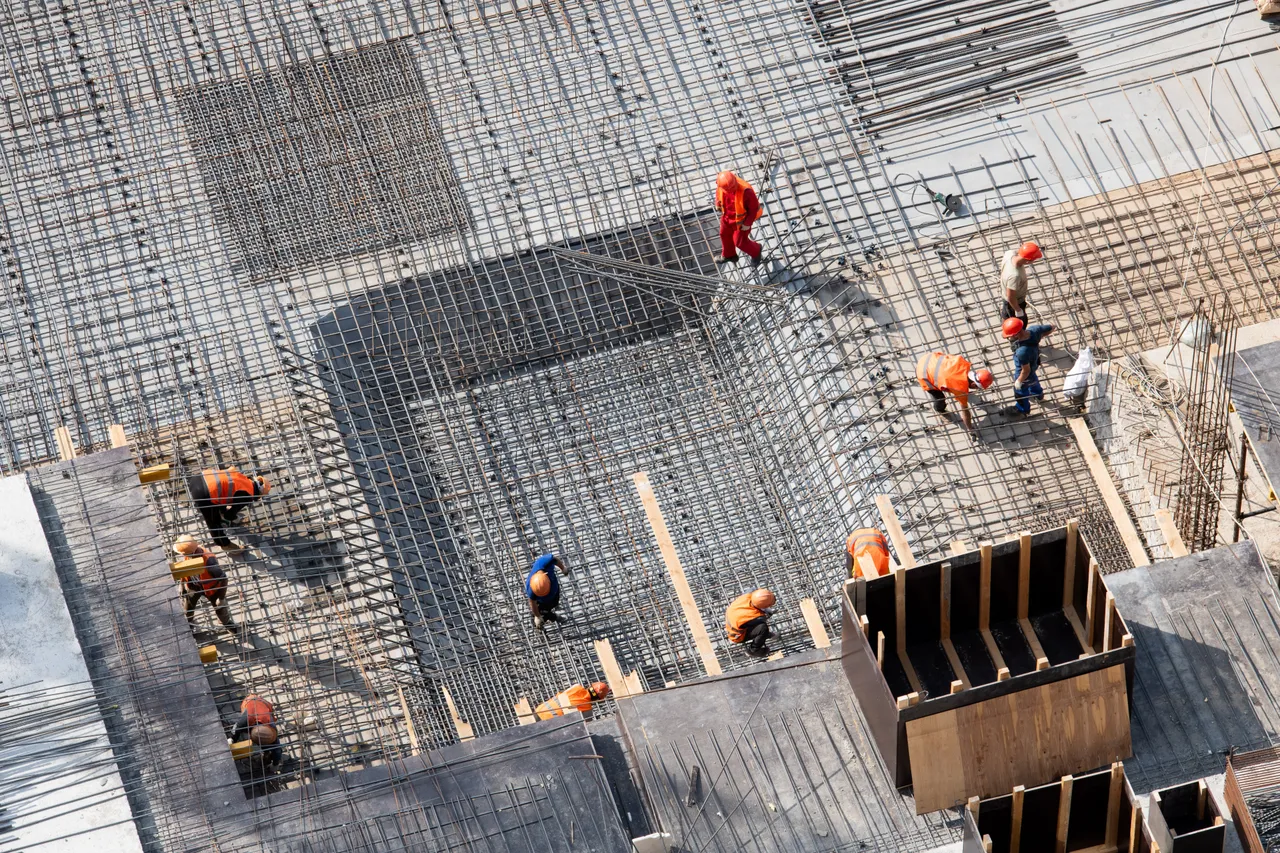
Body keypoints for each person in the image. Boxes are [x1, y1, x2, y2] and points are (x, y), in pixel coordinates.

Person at [186, 468, 270, 550]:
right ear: (259, 494)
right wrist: (231, 517)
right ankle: (224, 544)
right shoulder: (247, 494)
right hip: (203, 493)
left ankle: (213, 510)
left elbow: (224, 489)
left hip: (198, 478)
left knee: (221, 494)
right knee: (214, 522)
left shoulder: (243, 479)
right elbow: (229, 515)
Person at [915, 352, 995, 430]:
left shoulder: (963, 363)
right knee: (939, 398)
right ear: (974, 384)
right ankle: (939, 410)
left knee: (948, 382)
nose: (977, 389)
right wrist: (970, 429)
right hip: (923, 374)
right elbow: (965, 412)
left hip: (928, 358)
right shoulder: (960, 389)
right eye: (977, 387)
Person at [173, 534, 235, 630]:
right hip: (193, 585)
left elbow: (224, 579)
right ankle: (188, 624)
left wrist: (221, 598)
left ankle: (227, 623)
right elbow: (184, 569)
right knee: (188, 607)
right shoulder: (189, 554)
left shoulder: (209, 562)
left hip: (211, 589)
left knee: (220, 608)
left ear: (190, 553)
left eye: (183, 554)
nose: (182, 555)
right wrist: (182, 584)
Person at [1003, 317, 1056, 416]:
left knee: (1020, 392)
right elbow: (1051, 327)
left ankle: (1023, 409)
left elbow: (1025, 371)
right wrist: (1041, 336)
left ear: (1016, 334)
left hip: (1024, 372)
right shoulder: (1034, 330)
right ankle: (1038, 395)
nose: (1009, 338)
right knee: (1034, 380)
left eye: (1010, 336)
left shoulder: (1021, 352)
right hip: (1034, 363)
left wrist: (1019, 381)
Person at [714, 171, 763, 266]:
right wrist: (717, 203)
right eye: (730, 188)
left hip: (741, 221)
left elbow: (753, 209)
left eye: (733, 186)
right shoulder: (722, 185)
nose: (733, 188)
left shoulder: (746, 191)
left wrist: (747, 223)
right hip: (727, 217)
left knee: (740, 242)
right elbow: (718, 192)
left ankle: (756, 251)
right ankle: (729, 255)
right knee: (724, 235)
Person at [230, 693, 283, 769]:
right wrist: (232, 739)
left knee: (273, 747)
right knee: (232, 723)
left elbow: (277, 748)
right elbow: (236, 729)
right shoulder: (245, 720)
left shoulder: (271, 728)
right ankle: (267, 753)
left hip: (263, 704)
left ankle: (267, 754)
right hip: (250, 701)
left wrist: (275, 764)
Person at [998, 241, 1042, 327]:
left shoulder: (1009, 254)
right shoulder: (1015, 275)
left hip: (1006, 297)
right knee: (1020, 324)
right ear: (1028, 260)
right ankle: (1014, 338)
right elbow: (1011, 297)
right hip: (1014, 302)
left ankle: (1006, 327)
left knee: (1006, 314)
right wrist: (1018, 310)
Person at [725, 588, 776, 658]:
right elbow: (763, 618)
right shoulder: (755, 617)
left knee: (759, 628)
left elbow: (753, 590)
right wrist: (767, 612)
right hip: (737, 636)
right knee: (763, 628)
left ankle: (764, 635)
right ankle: (753, 650)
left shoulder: (747, 595)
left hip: (734, 620)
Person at [525, 553, 568, 630]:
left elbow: (555, 560)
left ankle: (554, 606)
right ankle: (552, 618)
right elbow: (532, 602)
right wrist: (537, 616)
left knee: (555, 603)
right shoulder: (531, 587)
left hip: (554, 593)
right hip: (543, 602)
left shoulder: (544, 563)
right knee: (544, 612)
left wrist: (563, 568)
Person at [534, 681, 611, 720]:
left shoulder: (576, 687)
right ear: (598, 699)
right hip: (548, 722)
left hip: (539, 710)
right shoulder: (588, 710)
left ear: (590, 686)